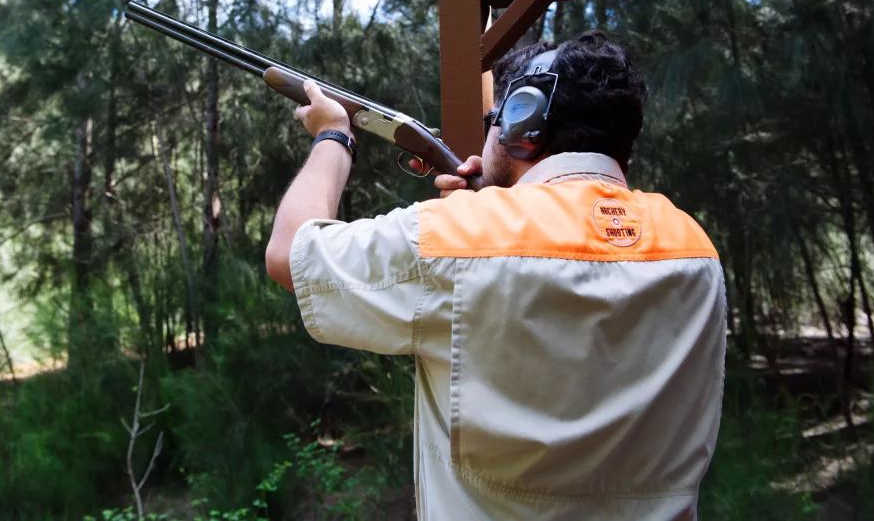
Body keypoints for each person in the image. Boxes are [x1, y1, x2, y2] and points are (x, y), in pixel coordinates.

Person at [265, 30, 726, 521]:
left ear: (521, 121)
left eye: (495, 118)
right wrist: (485, 212)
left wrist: (333, 136)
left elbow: (289, 251)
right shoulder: (694, 247)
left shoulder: (458, 237)